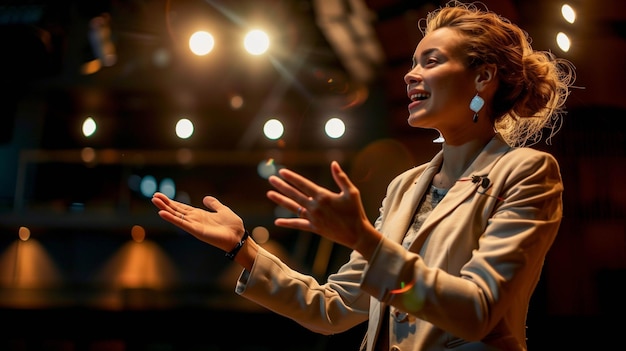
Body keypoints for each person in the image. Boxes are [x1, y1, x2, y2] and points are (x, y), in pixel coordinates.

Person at [151, 1, 575, 350]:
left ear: (483, 77)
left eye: (431, 61)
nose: (410, 74)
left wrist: (363, 239)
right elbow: (333, 308)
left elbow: (475, 313)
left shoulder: (527, 173)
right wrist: (242, 248)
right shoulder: (405, 187)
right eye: (412, 62)